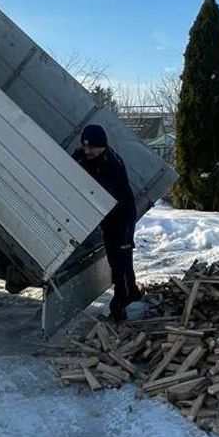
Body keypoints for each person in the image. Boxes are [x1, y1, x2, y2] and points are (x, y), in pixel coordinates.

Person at [72, 124, 143, 322]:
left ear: (102, 146)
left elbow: (99, 193)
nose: (87, 151)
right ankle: (133, 292)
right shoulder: (85, 156)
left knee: (121, 260)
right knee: (115, 257)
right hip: (109, 218)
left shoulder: (112, 165)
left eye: (91, 148)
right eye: (85, 147)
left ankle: (121, 302)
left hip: (122, 217)